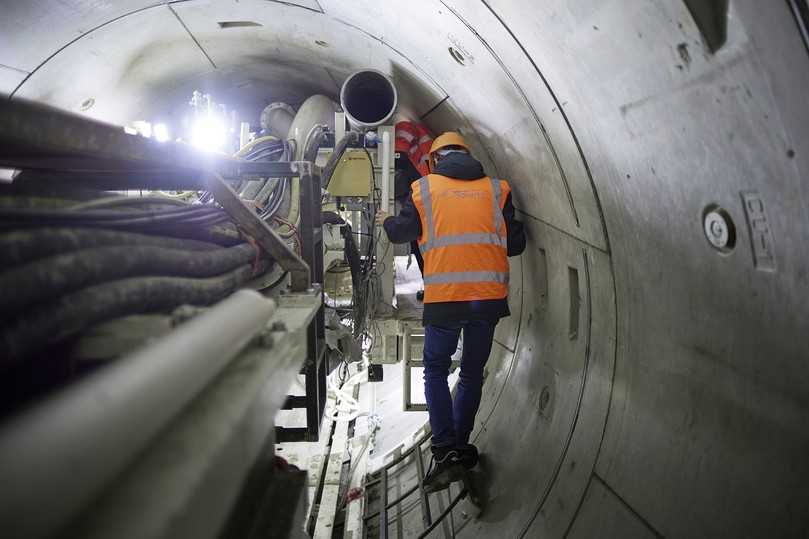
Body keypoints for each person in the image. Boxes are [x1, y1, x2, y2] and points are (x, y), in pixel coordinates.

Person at [376, 131, 526, 491]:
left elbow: (401, 233)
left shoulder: (424, 190)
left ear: (434, 160)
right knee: (472, 373)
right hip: (487, 300)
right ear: (468, 155)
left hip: (445, 299)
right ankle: (460, 445)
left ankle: (443, 451)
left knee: (435, 371)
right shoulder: (497, 190)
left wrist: (385, 219)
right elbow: (516, 242)